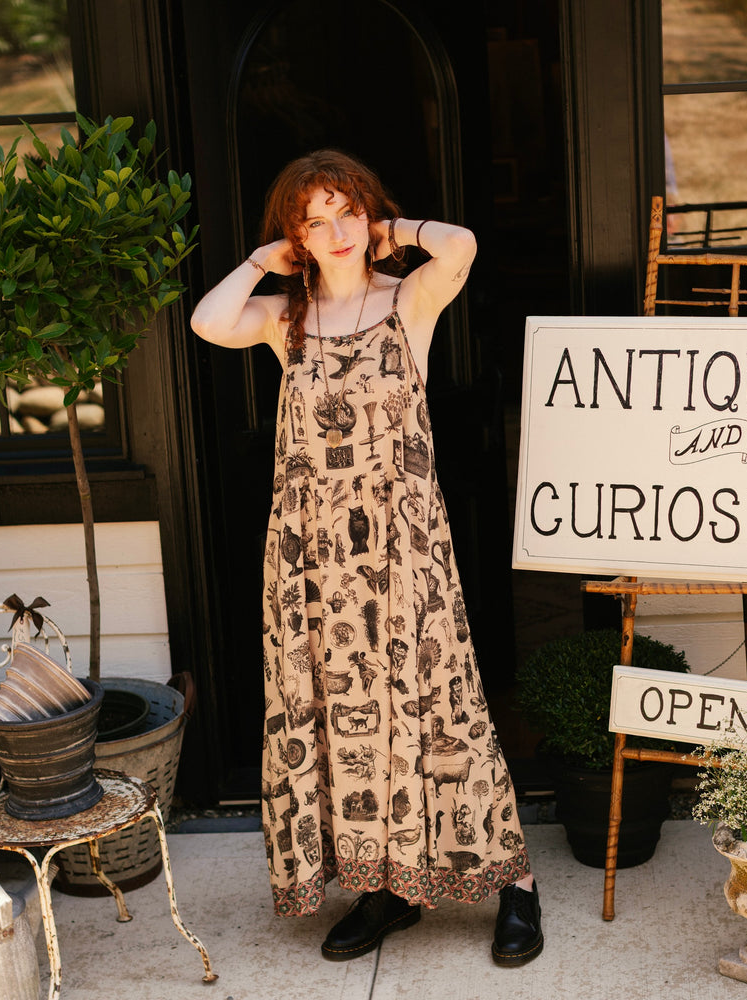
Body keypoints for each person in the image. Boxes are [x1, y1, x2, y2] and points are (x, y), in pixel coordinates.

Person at [190, 149, 543, 966]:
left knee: (442, 704)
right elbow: (209, 321)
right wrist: (261, 260)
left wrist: (395, 231)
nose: (337, 232)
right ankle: (386, 889)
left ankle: (515, 882)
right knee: (345, 715)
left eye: (347, 212)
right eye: (314, 222)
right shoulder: (285, 317)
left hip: (404, 547)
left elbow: (460, 245)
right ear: (296, 237)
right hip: (314, 556)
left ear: (368, 213)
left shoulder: (407, 300)